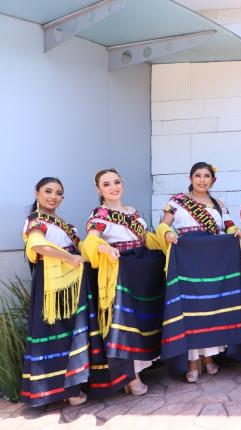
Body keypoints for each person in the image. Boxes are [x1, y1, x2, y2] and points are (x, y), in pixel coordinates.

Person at [82, 169, 167, 397]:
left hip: (142, 268)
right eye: (107, 184)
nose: (113, 187)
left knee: (142, 320)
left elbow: (146, 238)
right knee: (125, 324)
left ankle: (142, 369)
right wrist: (104, 247)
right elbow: (90, 240)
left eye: (117, 182)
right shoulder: (99, 214)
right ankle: (131, 377)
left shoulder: (133, 212)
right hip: (121, 271)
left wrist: (167, 240)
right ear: (99, 189)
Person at [159, 162, 241, 382]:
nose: (202, 180)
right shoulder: (177, 202)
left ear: (213, 180)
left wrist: (235, 231)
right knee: (191, 309)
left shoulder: (218, 204)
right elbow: (163, 225)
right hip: (188, 259)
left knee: (211, 307)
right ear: (190, 178)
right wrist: (167, 234)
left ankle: (209, 358)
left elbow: (228, 225)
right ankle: (192, 360)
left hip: (214, 260)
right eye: (197, 175)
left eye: (206, 176)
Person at [20, 178, 90, 406]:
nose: (53, 196)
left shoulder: (63, 223)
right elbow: (37, 245)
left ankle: (72, 390)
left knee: (69, 335)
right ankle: (51, 393)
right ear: (37, 193)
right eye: (48, 191)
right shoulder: (35, 221)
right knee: (52, 336)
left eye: (58, 193)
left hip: (70, 284)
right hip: (50, 286)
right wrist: (69, 257)